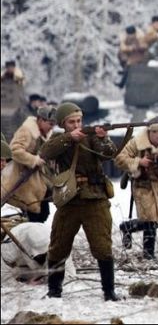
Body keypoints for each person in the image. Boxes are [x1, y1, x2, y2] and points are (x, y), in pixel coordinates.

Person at [39, 102, 120, 301]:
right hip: (70, 200)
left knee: (102, 247)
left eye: (79, 121)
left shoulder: (92, 137)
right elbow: (46, 152)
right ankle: (54, 291)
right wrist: (70, 138)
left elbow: (110, 154)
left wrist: (103, 138)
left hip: (95, 198)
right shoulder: (59, 139)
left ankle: (109, 292)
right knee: (58, 246)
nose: (76, 125)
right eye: (71, 122)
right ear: (63, 123)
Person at [115, 117, 158, 260]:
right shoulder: (137, 142)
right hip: (142, 185)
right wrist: (138, 161)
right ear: (151, 132)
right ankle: (149, 254)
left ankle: (128, 227)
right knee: (150, 219)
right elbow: (119, 158)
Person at [4, 106, 57, 223]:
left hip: (37, 178)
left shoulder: (45, 135)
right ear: (40, 120)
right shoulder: (27, 131)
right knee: (32, 210)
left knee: (43, 213)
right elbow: (14, 150)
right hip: (22, 176)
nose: (51, 127)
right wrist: (34, 160)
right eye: (50, 123)